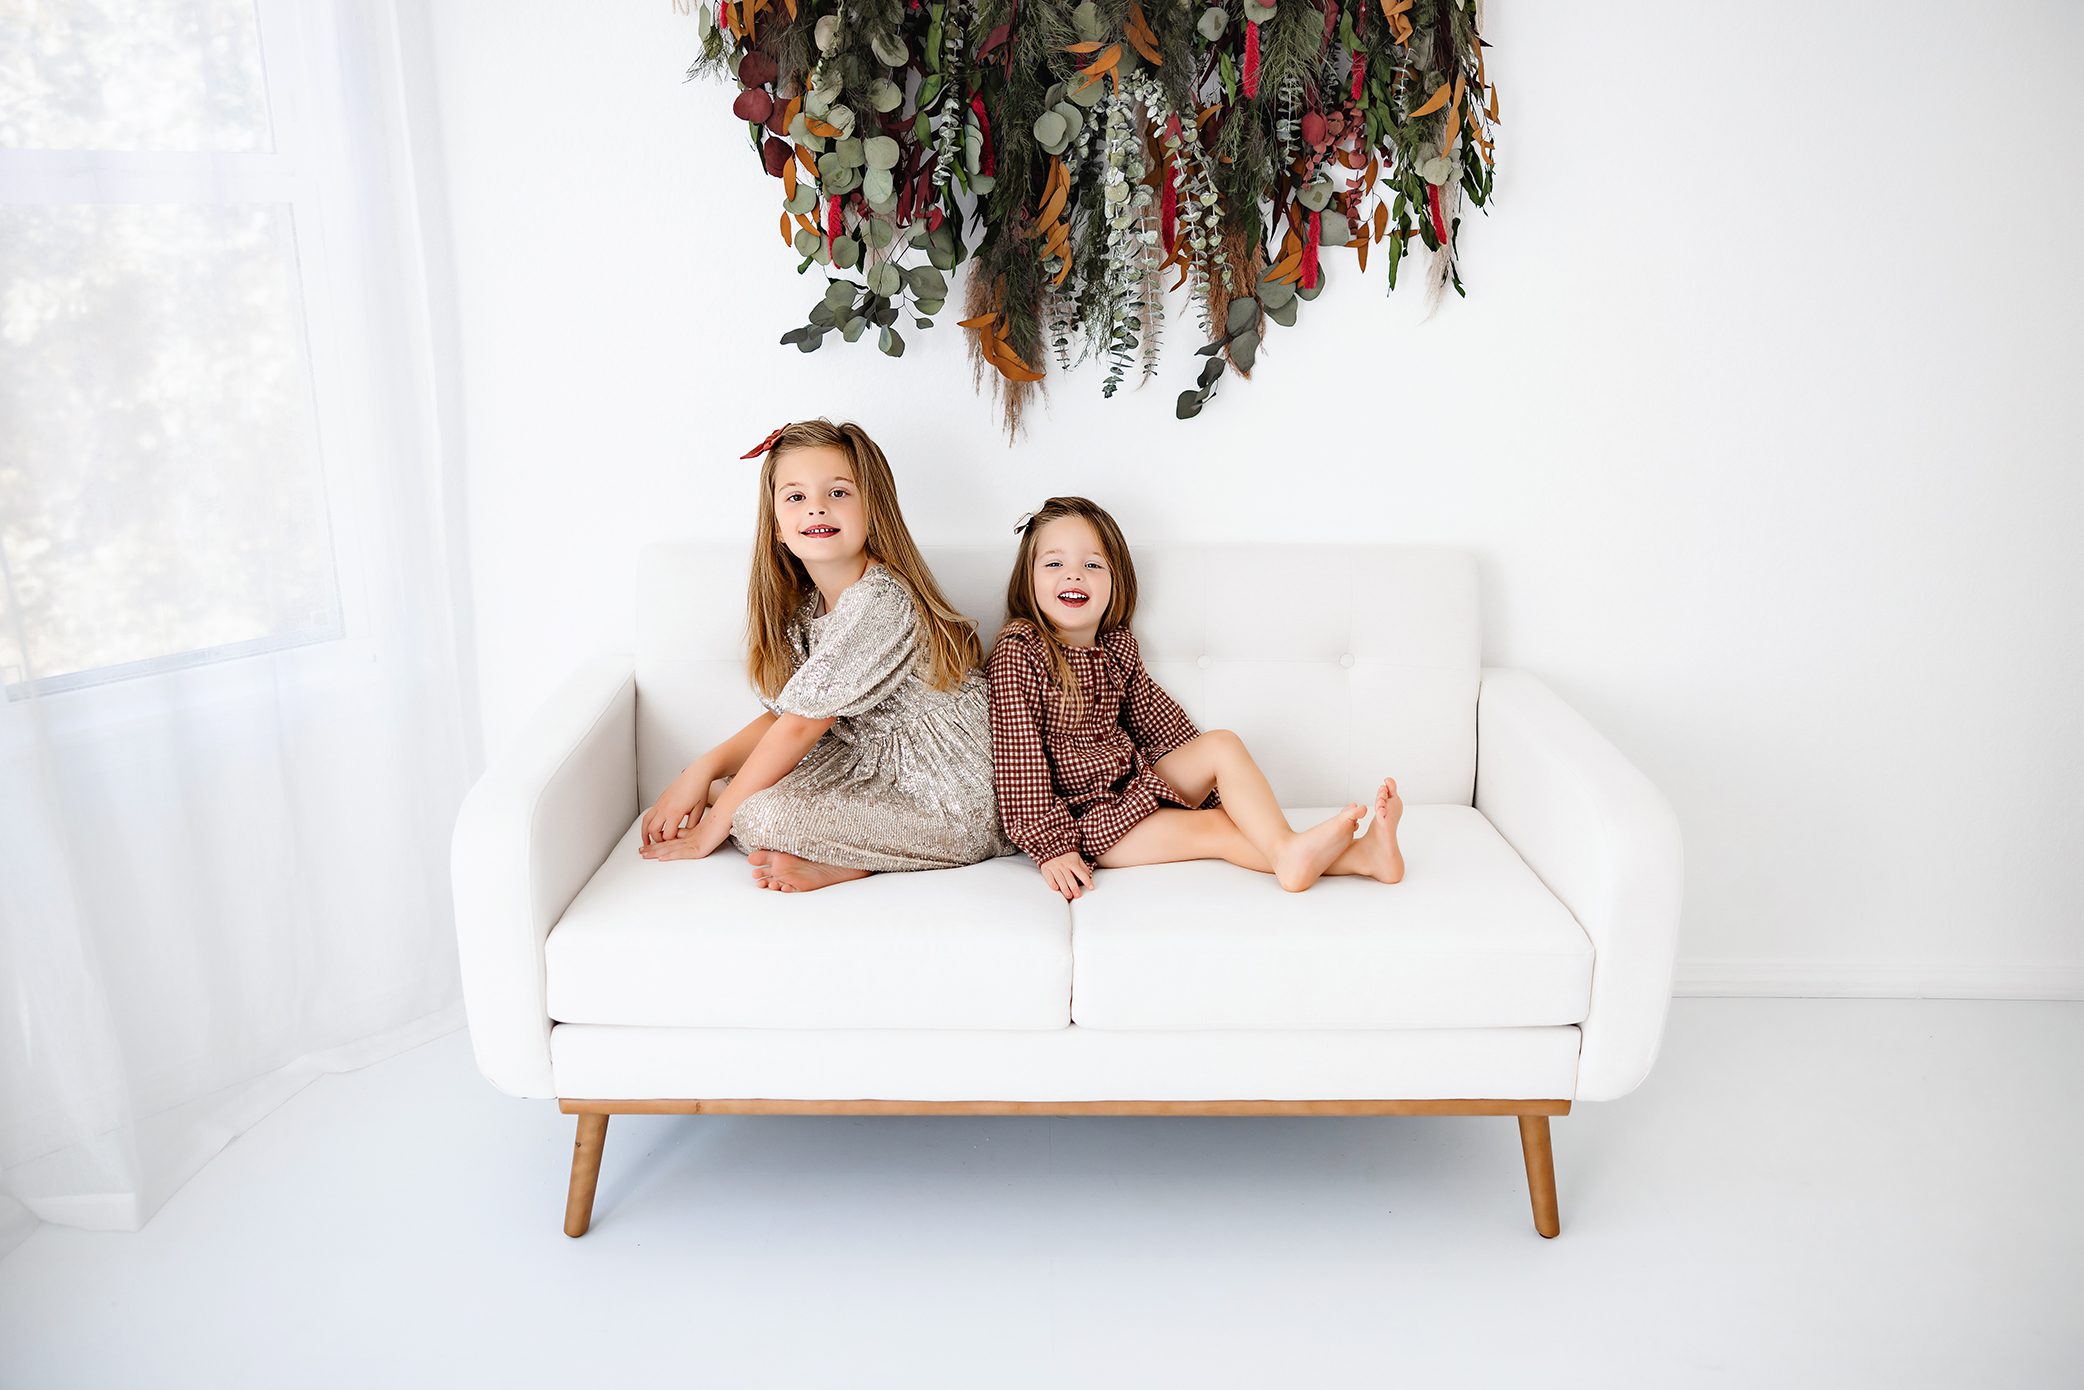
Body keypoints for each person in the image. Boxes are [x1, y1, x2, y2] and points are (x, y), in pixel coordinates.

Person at [638, 419, 1010, 892]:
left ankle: (848, 861)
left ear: (872, 509)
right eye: (796, 497)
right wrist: (704, 769)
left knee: (757, 814)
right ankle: (828, 839)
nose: (816, 507)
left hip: (958, 794)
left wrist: (708, 833)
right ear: (777, 527)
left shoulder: (879, 600)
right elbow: (785, 717)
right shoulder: (807, 610)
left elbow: (798, 728)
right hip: (880, 767)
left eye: (838, 493)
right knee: (749, 796)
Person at [986, 496, 1404, 902]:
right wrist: (1053, 846)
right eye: (1055, 563)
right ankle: (1316, 857)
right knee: (1218, 829)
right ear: (1030, 577)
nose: (1073, 576)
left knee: (1221, 744)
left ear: (1116, 582)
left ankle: (1354, 855)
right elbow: (1019, 762)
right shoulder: (1020, 650)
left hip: (1131, 787)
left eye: (1092, 565)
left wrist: (1205, 786)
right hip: (1087, 823)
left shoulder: (1116, 649)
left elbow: (1162, 726)